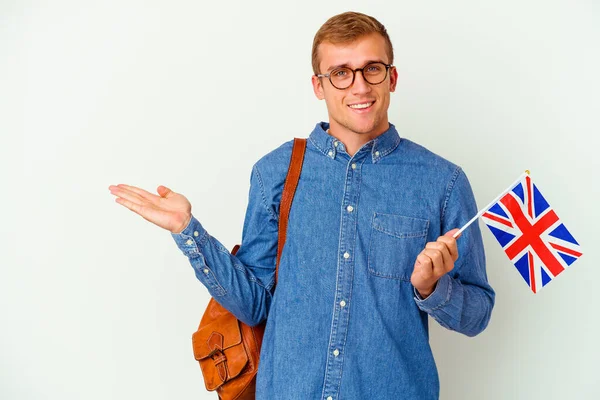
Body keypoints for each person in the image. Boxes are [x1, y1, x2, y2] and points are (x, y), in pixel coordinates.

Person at [109, 11, 495, 400]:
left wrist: (431, 288)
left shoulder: (441, 182)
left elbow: (478, 313)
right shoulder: (275, 173)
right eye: (341, 73)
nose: (359, 86)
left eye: (371, 69)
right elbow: (255, 304)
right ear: (318, 85)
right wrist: (187, 231)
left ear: (392, 77)